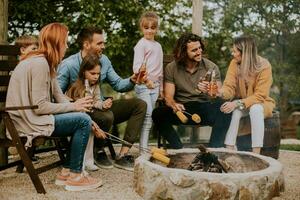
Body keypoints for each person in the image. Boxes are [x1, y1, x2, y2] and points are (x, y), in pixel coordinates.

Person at [6, 23, 102, 191]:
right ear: (57, 42)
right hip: (26, 121)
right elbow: (40, 107)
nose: (66, 46)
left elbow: (58, 96)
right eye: (65, 42)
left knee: (83, 118)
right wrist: (76, 109)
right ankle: (75, 177)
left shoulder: (47, 63)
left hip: (32, 116)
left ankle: (66, 172)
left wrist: (78, 107)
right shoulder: (39, 64)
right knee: (82, 122)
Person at [57, 27, 147, 171]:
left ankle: (123, 155)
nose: (103, 46)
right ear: (86, 44)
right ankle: (98, 150)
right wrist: (75, 104)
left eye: (103, 43)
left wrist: (132, 79)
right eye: (99, 43)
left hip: (100, 106)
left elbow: (118, 84)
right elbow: (56, 95)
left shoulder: (104, 60)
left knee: (140, 104)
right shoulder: (69, 65)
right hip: (81, 111)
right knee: (107, 116)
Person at [152, 33, 232, 149]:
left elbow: (218, 95)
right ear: (184, 52)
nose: (199, 52)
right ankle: (178, 148)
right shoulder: (171, 68)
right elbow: (168, 97)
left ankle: (214, 150)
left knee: (225, 108)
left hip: (204, 108)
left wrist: (211, 92)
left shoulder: (211, 67)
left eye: (200, 48)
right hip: (183, 109)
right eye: (194, 50)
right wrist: (174, 105)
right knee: (157, 113)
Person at [219, 36, 275, 154]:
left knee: (254, 109)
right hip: (244, 103)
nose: (233, 54)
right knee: (236, 111)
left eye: (235, 51)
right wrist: (219, 92)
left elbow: (260, 95)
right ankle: (229, 149)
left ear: (245, 53)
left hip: (262, 103)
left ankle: (256, 153)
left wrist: (236, 103)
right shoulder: (234, 63)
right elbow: (229, 86)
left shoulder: (264, 66)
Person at [66, 53, 111, 171]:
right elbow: (74, 106)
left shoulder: (95, 86)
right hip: (77, 115)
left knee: (90, 136)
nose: (96, 76)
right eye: (93, 73)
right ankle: (78, 162)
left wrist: (103, 104)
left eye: (98, 74)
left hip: (88, 115)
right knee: (84, 134)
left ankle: (89, 161)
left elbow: (95, 102)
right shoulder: (77, 87)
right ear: (84, 72)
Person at [133, 11, 163, 153]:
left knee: (150, 119)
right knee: (147, 116)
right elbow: (137, 68)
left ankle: (144, 147)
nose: (149, 31)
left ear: (157, 29)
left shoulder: (158, 46)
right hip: (144, 86)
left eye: (152, 27)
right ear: (141, 28)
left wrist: (161, 87)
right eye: (146, 27)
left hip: (155, 87)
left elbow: (160, 68)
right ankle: (143, 150)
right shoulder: (141, 45)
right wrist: (146, 81)